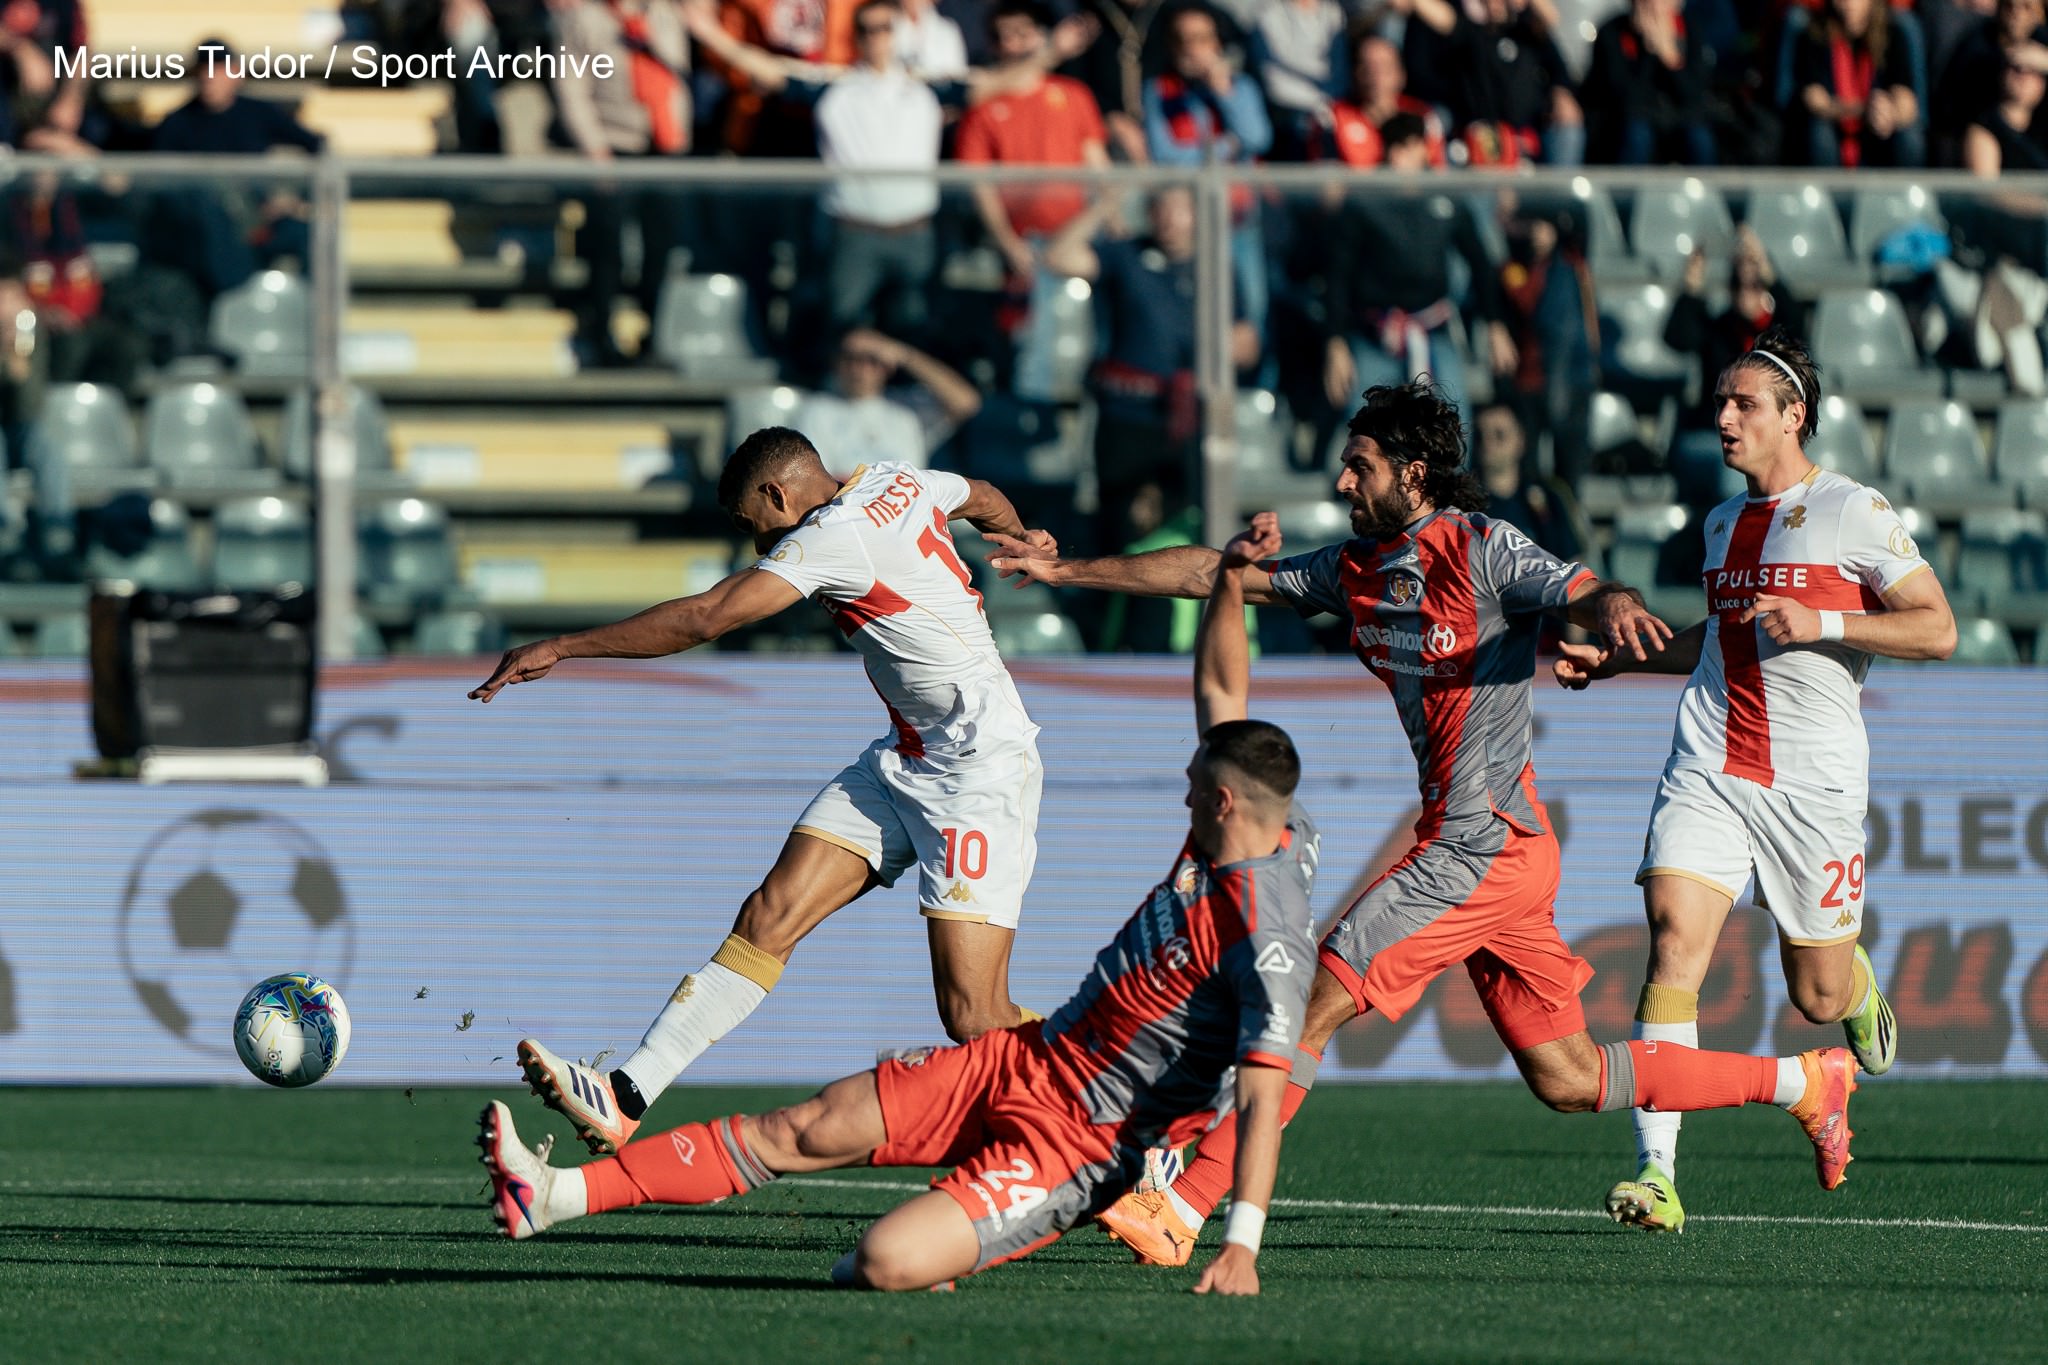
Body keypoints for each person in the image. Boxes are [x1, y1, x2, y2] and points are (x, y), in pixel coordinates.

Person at [988, 379, 1865, 1264]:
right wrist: (1066, 569)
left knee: (1315, 994)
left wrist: (1617, 607)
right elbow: (1212, 573)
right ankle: (1803, 1080)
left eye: (1358, 466)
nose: (1341, 482)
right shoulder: (1353, 568)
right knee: (1570, 1077)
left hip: (1479, 844)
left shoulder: (1481, 549)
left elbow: (1585, 588)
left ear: (1413, 474)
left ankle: (1183, 1203)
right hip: (1493, 850)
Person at [480, 513, 1321, 1295]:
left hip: (1080, 1144)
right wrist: (1231, 576)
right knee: (800, 1127)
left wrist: (1241, 1240)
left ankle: (964, 1224)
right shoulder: (1229, 823)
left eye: (1193, 790)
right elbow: (1220, 684)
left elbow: (1258, 1097)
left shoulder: (1267, 932)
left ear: (1225, 805)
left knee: (884, 1260)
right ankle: (548, 1193)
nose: (1182, 792)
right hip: (1018, 1060)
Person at [469, 428, 1056, 1155]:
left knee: (973, 1016)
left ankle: (1125, 1120)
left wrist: (561, 645)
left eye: (755, 526)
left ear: (778, 493)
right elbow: (983, 496)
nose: (759, 548)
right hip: (907, 755)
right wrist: (1023, 539)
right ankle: (624, 1096)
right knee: (769, 915)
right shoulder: (899, 478)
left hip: (978, 769)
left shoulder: (831, 534)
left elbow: (707, 616)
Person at [1553, 328, 1957, 1233]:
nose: (1724, 417)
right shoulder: (1719, 523)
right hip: (1711, 762)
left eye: (1744, 404)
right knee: (1672, 943)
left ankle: (1853, 989)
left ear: (1792, 417)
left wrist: (1824, 621)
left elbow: (1936, 629)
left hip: (1812, 789)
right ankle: (1657, 1176)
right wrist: (1622, 664)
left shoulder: (1853, 510)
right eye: (1721, 403)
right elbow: (1722, 637)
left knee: (1812, 995)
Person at [684, 0, 947, 342]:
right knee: (842, 326)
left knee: (912, 331)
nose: (877, 39)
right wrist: (711, 34)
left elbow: (995, 82)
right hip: (855, 229)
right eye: (867, 30)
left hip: (915, 230)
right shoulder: (836, 85)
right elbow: (770, 71)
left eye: (886, 29)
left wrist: (1043, 55)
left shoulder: (927, 86)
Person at [1042, 183, 1257, 553]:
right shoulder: (1125, 255)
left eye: (1180, 208)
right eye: (1161, 208)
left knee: (1185, 529)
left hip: (1189, 421)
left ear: (1197, 215)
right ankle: (1112, 607)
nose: (1170, 219)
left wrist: (1229, 348)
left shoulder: (1216, 269)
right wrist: (1105, 206)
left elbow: (1247, 344)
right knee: (1120, 527)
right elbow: (1058, 257)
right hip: (1126, 418)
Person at [954, 0, 1111, 400]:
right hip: (1020, 250)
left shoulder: (1073, 95)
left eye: (1021, 32)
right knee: (1023, 346)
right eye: (1001, 35)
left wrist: (1104, 222)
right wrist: (1007, 242)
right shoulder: (982, 106)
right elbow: (981, 184)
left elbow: (1101, 172)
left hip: (1075, 243)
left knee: (1086, 337)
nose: (1011, 43)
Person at [550, 0, 690, 367]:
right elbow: (571, 86)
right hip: (612, 146)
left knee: (662, 245)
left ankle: (654, 333)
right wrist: (594, 147)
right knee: (607, 244)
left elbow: (677, 78)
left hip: (663, 147)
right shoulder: (583, 20)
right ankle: (601, 334)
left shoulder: (663, 16)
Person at [795, 327, 984, 465]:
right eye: (849, 357)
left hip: (907, 511)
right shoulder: (817, 409)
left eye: (871, 359)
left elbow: (967, 402)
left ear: (887, 365)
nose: (859, 368)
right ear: (836, 362)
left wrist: (904, 354)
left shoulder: (907, 410)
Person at [1791, 0, 1924, 167]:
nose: (1848, 4)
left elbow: (1907, 101)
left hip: (1879, 135)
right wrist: (1862, 110)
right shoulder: (1816, 34)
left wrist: (1890, 114)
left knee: (1909, 136)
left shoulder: (1893, 33)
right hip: (1835, 130)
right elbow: (1815, 100)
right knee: (1819, 133)